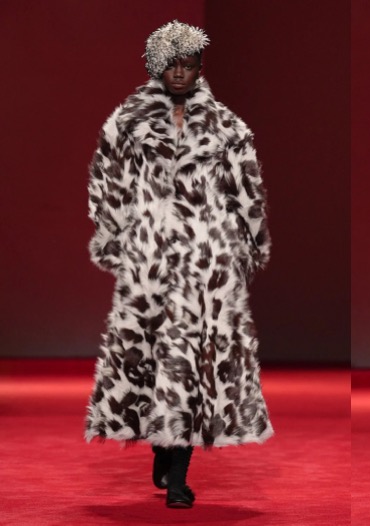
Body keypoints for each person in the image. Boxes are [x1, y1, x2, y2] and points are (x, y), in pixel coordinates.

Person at [83, 20, 273, 509]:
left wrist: (251, 241)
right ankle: (163, 447)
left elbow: (246, 188)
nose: (180, 74)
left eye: (189, 66)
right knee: (149, 357)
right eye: (172, 65)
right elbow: (107, 182)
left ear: (200, 68)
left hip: (205, 259)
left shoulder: (227, 126)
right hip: (148, 258)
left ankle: (178, 477)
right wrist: (113, 235)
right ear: (156, 66)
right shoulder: (127, 122)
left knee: (190, 362)